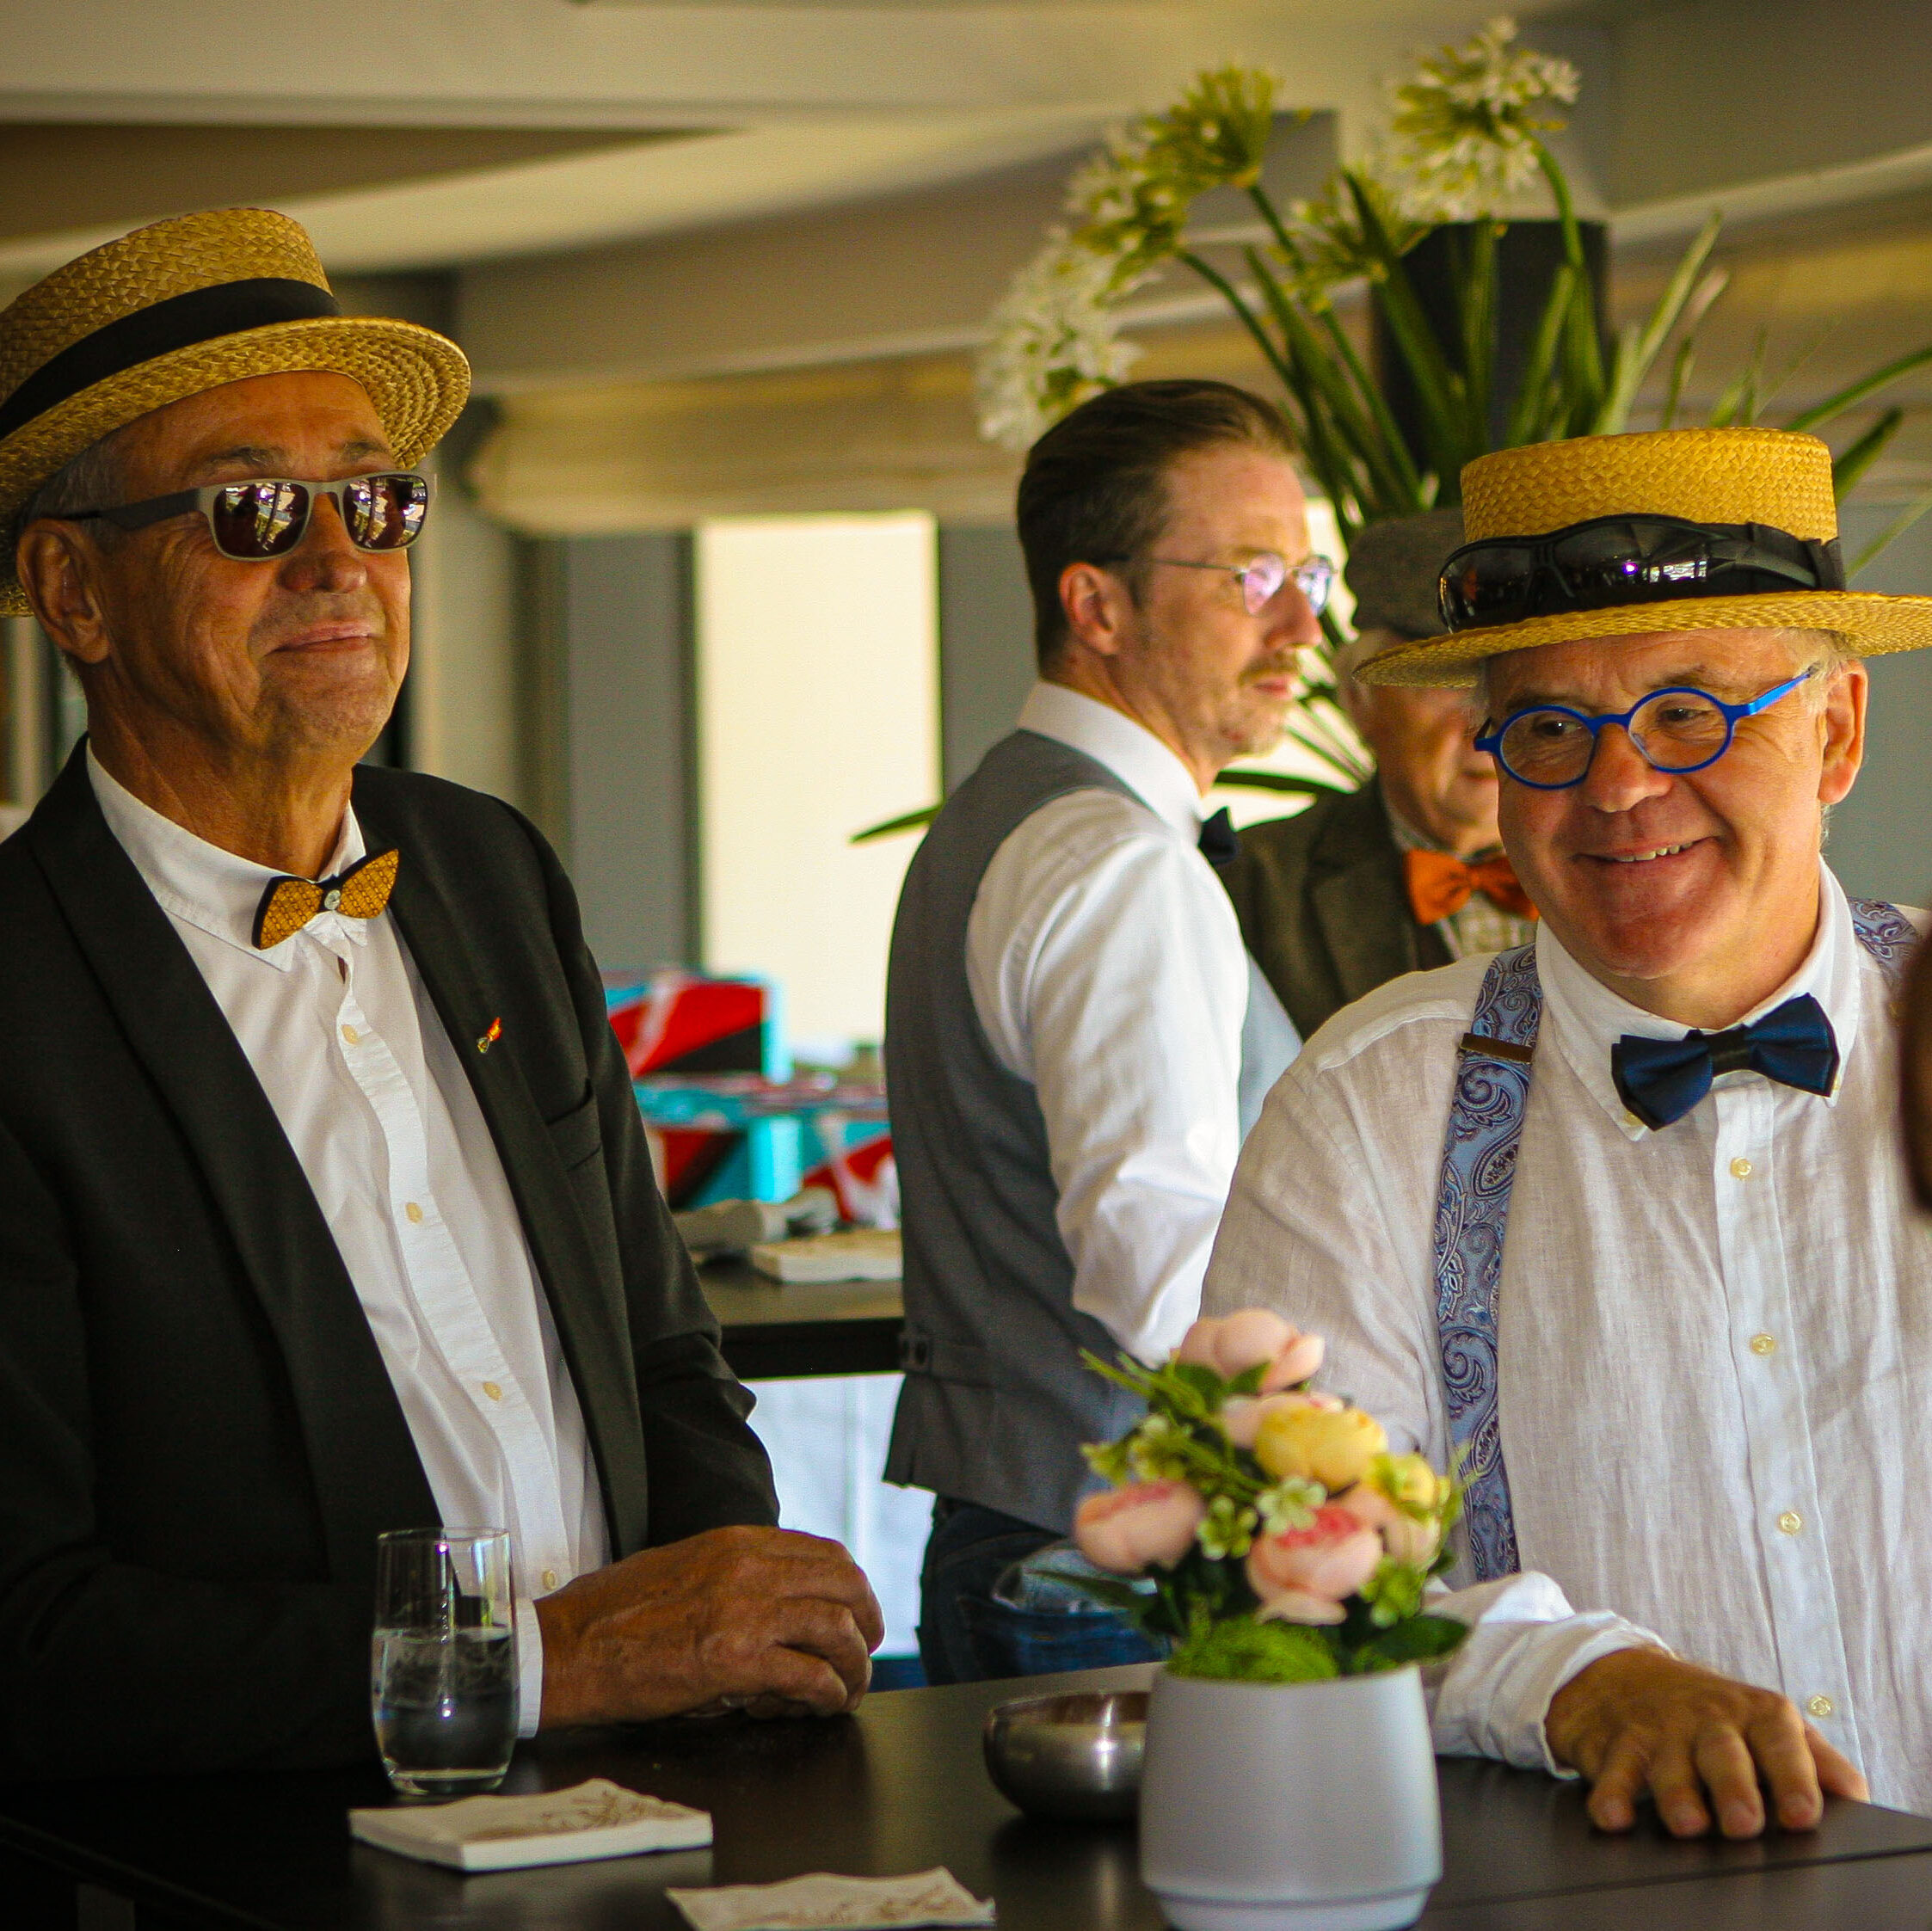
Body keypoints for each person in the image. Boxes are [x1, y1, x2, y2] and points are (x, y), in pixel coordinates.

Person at [0, 208, 881, 1781]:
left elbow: (662, 1359)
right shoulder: (24, 991)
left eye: (377, 499)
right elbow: (33, 1630)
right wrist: (549, 1663)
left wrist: (722, 1626)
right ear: (74, 591)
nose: (340, 562)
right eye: (254, 509)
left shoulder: (486, 869)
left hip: (653, 1797)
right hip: (280, 1847)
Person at [1205, 423, 1932, 1831]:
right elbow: (1277, 1567)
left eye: (1687, 713)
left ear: (1835, 733)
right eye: (1548, 728)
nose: (1617, 787)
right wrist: (1567, 1678)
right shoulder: (1369, 1109)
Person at [884, 379, 1321, 1682]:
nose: (1302, 623)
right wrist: (1351, 1500)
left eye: (1307, 573)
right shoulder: (1117, 862)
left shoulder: (999, 814)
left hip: (1022, 1535)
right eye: (1251, 575)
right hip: (1113, 1577)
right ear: (1097, 606)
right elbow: (1166, 1265)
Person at [1222, 509, 1535, 1037]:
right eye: (1450, 683)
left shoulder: (1637, 858)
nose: (1488, 723)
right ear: (1359, 702)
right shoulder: (1253, 889)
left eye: (1518, 684)